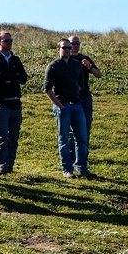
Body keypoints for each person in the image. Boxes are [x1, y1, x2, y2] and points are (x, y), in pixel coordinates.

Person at [44, 38, 92, 178]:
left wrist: (74, 94)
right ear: (58, 49)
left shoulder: (76, 65)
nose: (67, 50)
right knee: (64, 139)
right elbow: (47, 89)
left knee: (81, 138)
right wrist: (59, 105)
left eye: (69, 48)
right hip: (63, 107)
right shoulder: (53, 66)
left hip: (77, 105)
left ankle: (82, 168)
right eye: (64, 47)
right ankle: (67, 169)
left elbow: (81, 83)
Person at [0, 30, 28, 176]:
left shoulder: (15, 59)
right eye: (6, 40)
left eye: (11, 40)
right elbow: (0, 77)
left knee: (13, 138)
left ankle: (10, 166)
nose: (9, 42)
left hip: (16, 103)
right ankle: (2, 166)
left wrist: (11, 77)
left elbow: (23, 78)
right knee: (1, 136)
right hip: (1, 103)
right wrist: (12, 76)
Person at [68, 34, 102, 166]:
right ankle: (71, 157)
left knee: (86, 128)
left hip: (85, 99)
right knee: (71, 130)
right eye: (73, 43)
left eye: (77, 43)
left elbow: (99, 74)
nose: (75, 46)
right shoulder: (65, 60)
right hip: (71, 99)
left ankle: (83, 157)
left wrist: (90, 67)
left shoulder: (84, 59)